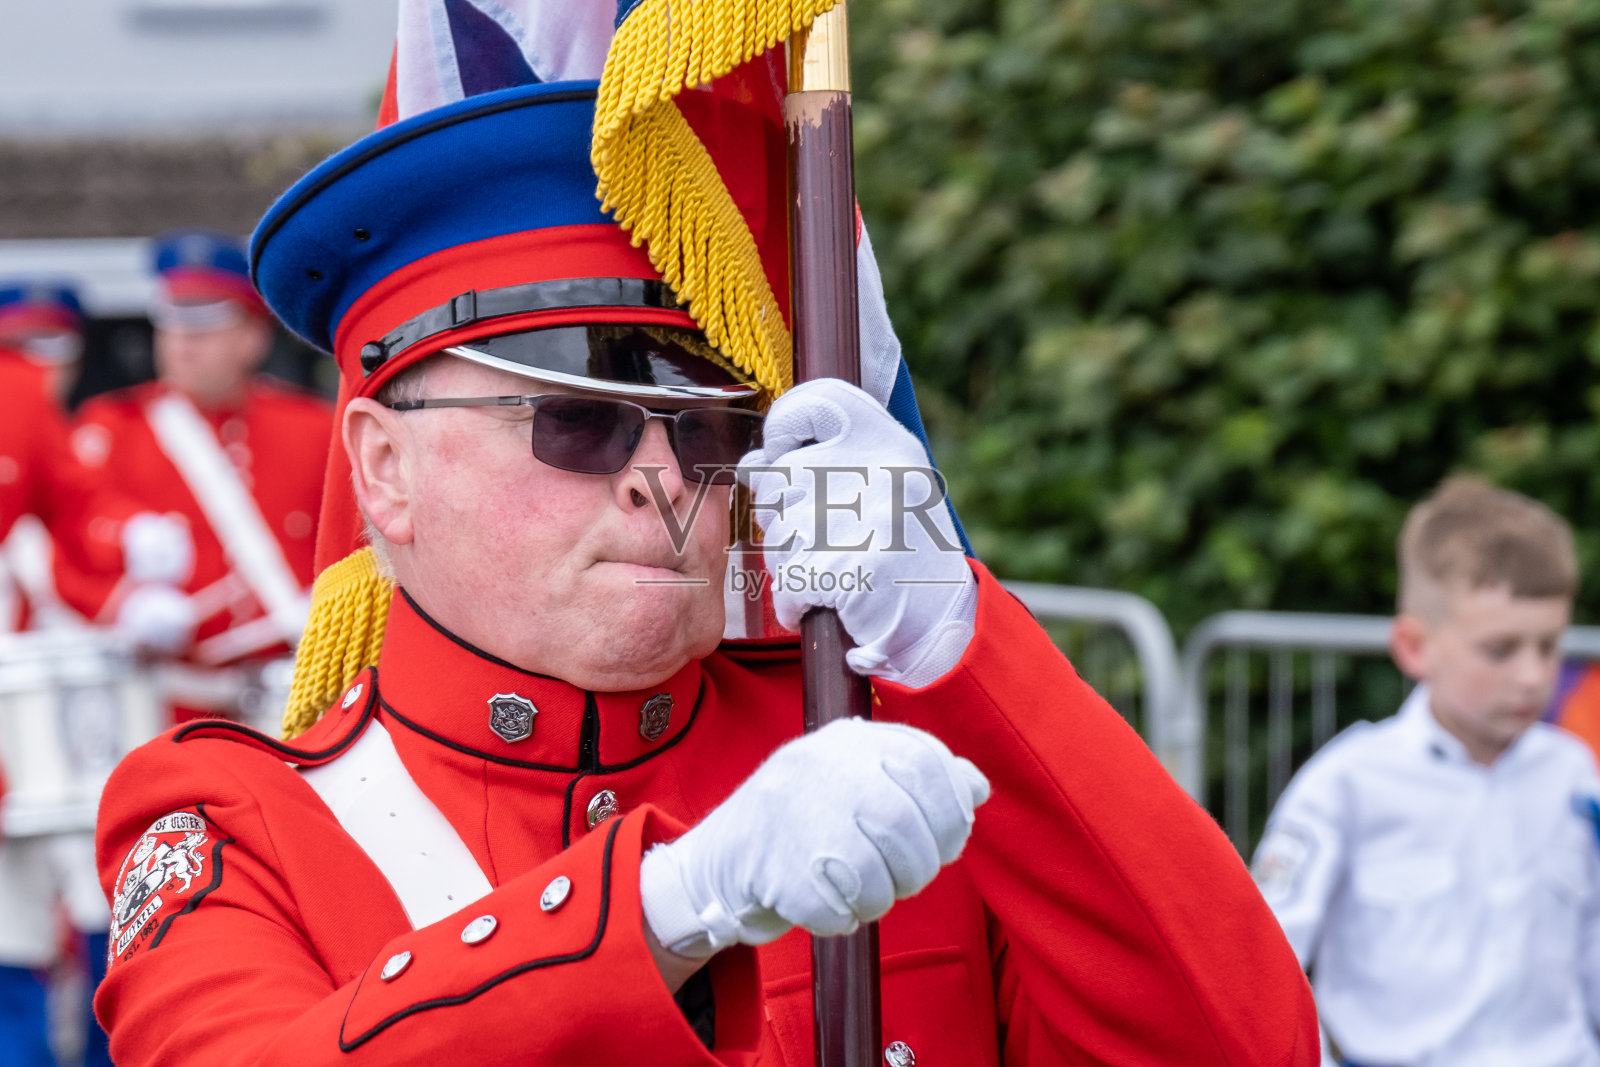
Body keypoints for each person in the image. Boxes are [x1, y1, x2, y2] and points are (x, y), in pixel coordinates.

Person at [91, 56, 1315, 1067]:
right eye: (576, 421)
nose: (663, 478)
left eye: (709, 429)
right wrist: (672, 903)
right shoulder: (235, 820)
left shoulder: (872, 743)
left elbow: (1241, 1043)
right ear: (384, 467)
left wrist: (960, 642)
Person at [1253, 476, 1600, 1066]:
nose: (1532, 675)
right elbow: (1266, 957)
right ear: (1415, 646)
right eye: (1500, 650)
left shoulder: (1574, 774)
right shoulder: (1346, 785)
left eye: (1549, 647)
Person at [68, 230, 332, 720]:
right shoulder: (113, 428)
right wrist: (123, 605)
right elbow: (64, 547)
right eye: (172, 327)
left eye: (203, 329)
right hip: (170, 703)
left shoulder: (313, 427)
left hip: (295, 693)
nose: (182, 345)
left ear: (252, 338)